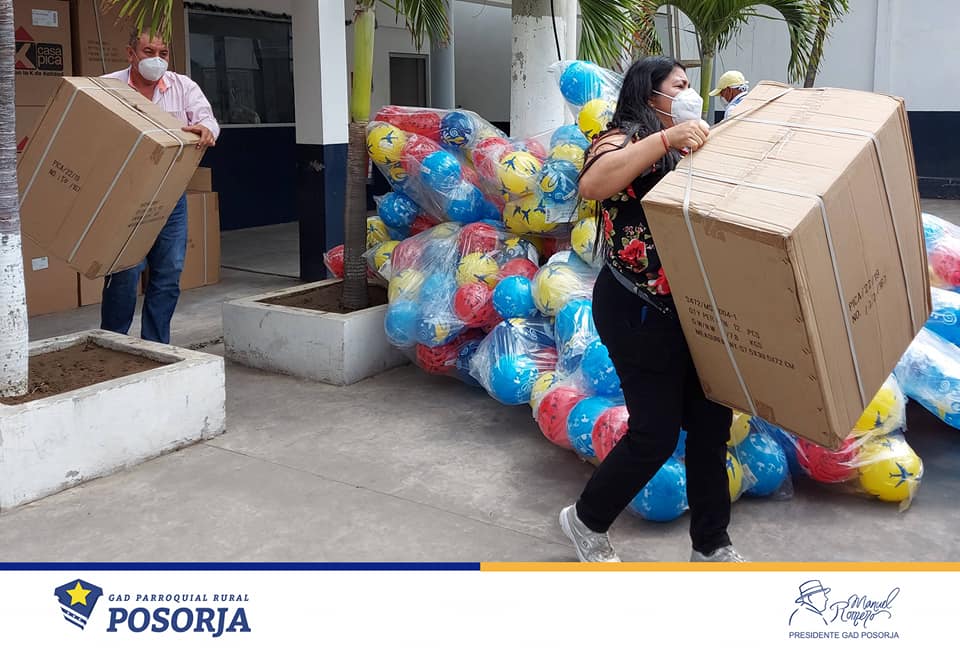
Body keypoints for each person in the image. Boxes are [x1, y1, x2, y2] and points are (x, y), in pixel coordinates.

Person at [558, 56, 746, 563]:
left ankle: (712, 545)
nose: (689, 94)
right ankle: (586, 520)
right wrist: (666, 139)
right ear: (650, 93)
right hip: (635, 305)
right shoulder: (619, 139)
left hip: (692, 307)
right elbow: (594, 185)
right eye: (679, 85)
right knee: (655, 433)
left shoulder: (694, 146)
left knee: (710, 427)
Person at [100, 30, 220, 344]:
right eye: (148, 51)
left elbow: (208, 121)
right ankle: (113, 343)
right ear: (131, 53)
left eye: (163, 53)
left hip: (170, 194)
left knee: (169, 273)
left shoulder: (183, 87)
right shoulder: (108, 87)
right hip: (124, 194)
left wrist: (206, 130)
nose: (156, 59)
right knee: (125, 272)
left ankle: (156, 345)